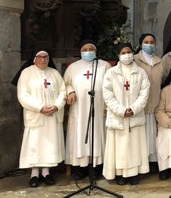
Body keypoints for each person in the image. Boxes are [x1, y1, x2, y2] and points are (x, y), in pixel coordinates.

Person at [14, 50, 66, 188]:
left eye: (45, 57)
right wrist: (40, 108)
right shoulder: (27, 73)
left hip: (52, 115)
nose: (43, 60)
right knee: (35, 145)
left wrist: (56, 106)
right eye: (39, 57)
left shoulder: (54, 73)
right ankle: (34, 174)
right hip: (36, 115)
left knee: (49, 145)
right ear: (34, 59)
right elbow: (23, 95)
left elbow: (63, 91)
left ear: (49, 59)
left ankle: (46, 172)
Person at [102, 43, 150, 185]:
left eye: (129, 51)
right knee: (119, 148)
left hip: (135, 115)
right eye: (123, 52)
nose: (126, 54)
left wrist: (133, 109)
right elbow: (107, 94)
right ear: (118, 55)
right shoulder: (111, 73)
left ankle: (134, 173)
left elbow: (144, 93)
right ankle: (119, 174)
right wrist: (121, 110)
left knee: (134, 146)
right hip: (118, 117)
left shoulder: (141, 72)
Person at [63, 40, 111, 180]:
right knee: (80, 136)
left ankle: (96, 167)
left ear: (96, 51)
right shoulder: (73, 67)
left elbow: (111, 86)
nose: (88, 51)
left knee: (97, 135)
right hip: (79, 109)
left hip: (99, 108)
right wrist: (70, 91)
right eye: (85, 49)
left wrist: (108, 106)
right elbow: (65, 84)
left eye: (91, 49)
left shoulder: (104, 66)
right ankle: (80, 167)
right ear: (80, 51)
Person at [134, 33, 164, 172]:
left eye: (152, 42)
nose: (149, 44)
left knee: (153, 136)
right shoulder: (135, 60)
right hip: (140, 107)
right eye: (146, 42)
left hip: (156, 104)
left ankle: (152, 163)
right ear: (141, 44)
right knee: (141, 138)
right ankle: (140, 163)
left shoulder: (160, 61)